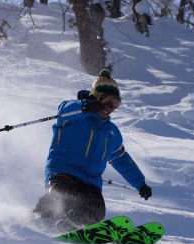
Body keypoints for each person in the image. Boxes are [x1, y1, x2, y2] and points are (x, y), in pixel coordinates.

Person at [33, 69, 152, 231]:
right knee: (61, 197)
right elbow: (63, 110)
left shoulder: (111, 132)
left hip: (90, 183)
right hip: (62, 174)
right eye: (107, 101)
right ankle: (46, 214)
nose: (109, 107)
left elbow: (121, 159)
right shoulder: (74, 117)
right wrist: (84, 106)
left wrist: (140, 183)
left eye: (115, 104)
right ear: (96, 96)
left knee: (97, 210)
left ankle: (79, 226)